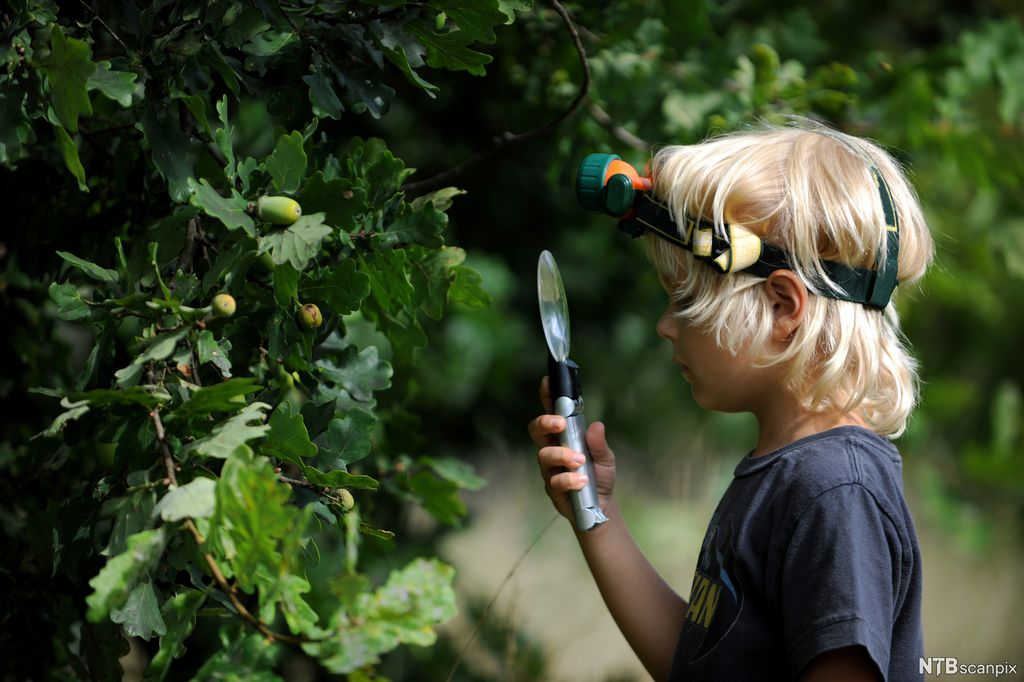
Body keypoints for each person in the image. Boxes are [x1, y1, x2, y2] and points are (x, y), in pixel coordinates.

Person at [527, 120, 934, 681]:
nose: (665, 326)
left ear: (782, 306)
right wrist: (597, 513)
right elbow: (698, 667)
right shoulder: (791, 473)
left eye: (684, 299)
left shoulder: (836, 491)